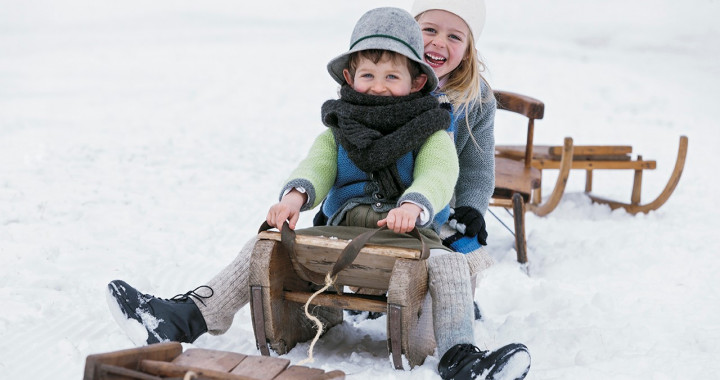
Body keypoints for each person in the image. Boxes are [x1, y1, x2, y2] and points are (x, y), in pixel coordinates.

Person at [106, 4, 531, 380]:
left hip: (412, 231)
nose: (379, 86)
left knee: (452, 265)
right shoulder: (340, 123)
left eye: (392, 75)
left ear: (416, 80)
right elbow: (319, 163)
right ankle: (184, 317)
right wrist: (295, 197)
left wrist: (418, 204)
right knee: (264, 246)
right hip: (345, 228)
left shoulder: (434, 126)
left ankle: (462, 356)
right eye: (368, 75)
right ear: (350, 76)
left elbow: (443, 172)